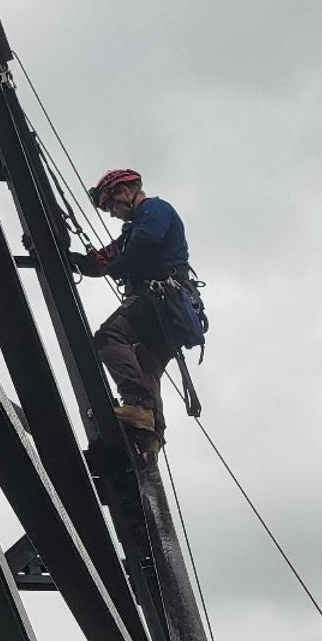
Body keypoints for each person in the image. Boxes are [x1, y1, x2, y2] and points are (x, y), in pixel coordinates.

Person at [66, 169, 200, 453]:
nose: (112, 213)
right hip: (169, 315)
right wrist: (70, 259)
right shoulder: (131, 233)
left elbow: (146, 244)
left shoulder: (154, 210)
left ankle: (138, 406)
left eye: (110, 204)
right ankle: (151, 434)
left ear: (126, 191)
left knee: (108, 337)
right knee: (145, 366)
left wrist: (116, 266)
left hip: (161, 299)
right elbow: (102, 260)